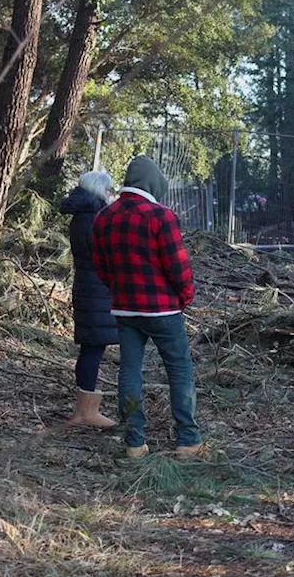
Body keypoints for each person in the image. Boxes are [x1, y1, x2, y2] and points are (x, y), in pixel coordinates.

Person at [92, 156, 204, 460]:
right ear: (154, 183)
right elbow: (178, 267)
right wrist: (185, 297)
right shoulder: (161, 216)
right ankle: (188, 441)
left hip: (125, 310)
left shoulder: (104, 217)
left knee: (129, 371)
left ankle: (134, 442)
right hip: (163, 310)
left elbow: (100, 266)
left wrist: (118, 290)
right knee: (179, 370)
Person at [60, 171, 118, 428]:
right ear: (100, 190)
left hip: (87, 287)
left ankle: (84, 408)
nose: (112, 195)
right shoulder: (96, 219)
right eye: (110, 190)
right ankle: (86, 412)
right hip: (98, 290)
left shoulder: (82, 216)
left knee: (91, 347)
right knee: (93, 348)